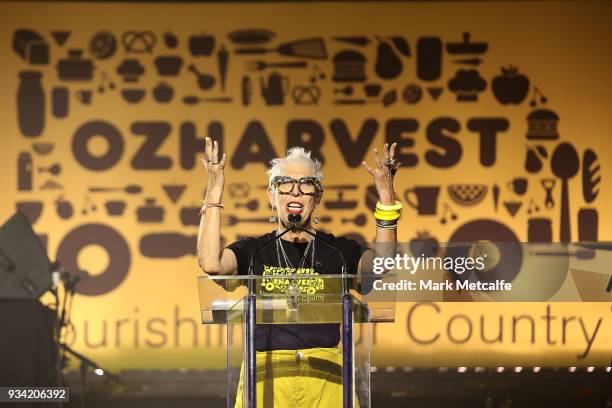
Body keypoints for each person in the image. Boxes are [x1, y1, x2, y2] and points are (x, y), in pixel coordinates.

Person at [198, 138, 402, 407]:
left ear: (317, 197)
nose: (295, 192)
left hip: (327, 378)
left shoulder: (339, 251)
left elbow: (380, 266)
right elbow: (211, 263)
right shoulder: (255, 250)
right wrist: (214, 192)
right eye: (284, 184)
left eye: (306, 184)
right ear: (272, 195)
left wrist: (386, 198)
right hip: (266, 377)